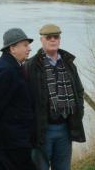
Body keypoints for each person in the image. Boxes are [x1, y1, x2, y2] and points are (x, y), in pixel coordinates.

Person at [25, 24, 86, 170]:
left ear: (59, 39)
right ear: (42, 40)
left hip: (65, 128)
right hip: (42, 130)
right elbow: (24, 99)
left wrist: (79, 113)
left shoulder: (68, 63)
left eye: (56, 37)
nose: (53, 40)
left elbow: (79, 91)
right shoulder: (31, 65)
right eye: (48, 37)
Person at [0, 28, 36, 170]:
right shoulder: (5, 70)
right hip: (10, 141)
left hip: (12, 139)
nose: (29, 48)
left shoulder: (14, 66)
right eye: (25, 45)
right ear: (13, 48)